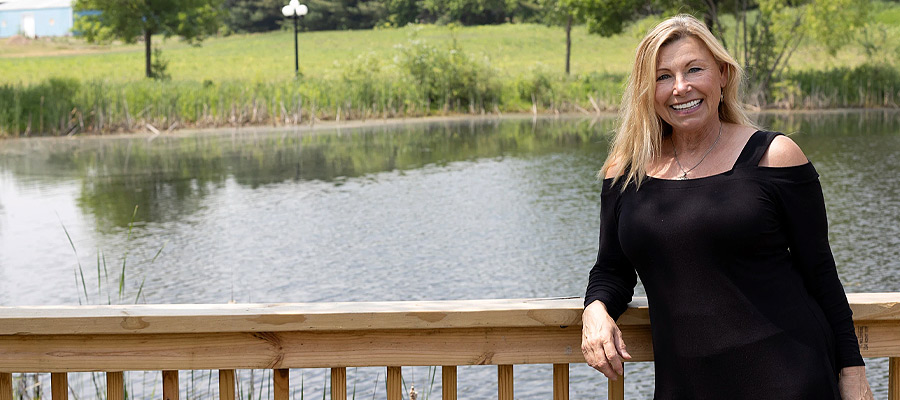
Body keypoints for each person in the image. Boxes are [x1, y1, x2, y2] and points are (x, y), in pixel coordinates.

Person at [581, 14, 874, 399]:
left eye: (694, 69)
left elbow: (821, 274)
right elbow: (612, 270)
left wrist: (852, 373)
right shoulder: (626, 171)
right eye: (663, 76)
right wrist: (595, 310)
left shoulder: (775, 157)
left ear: (722, 74)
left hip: (790, 378)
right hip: (685, 386)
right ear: (646, 90)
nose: (680, 87)